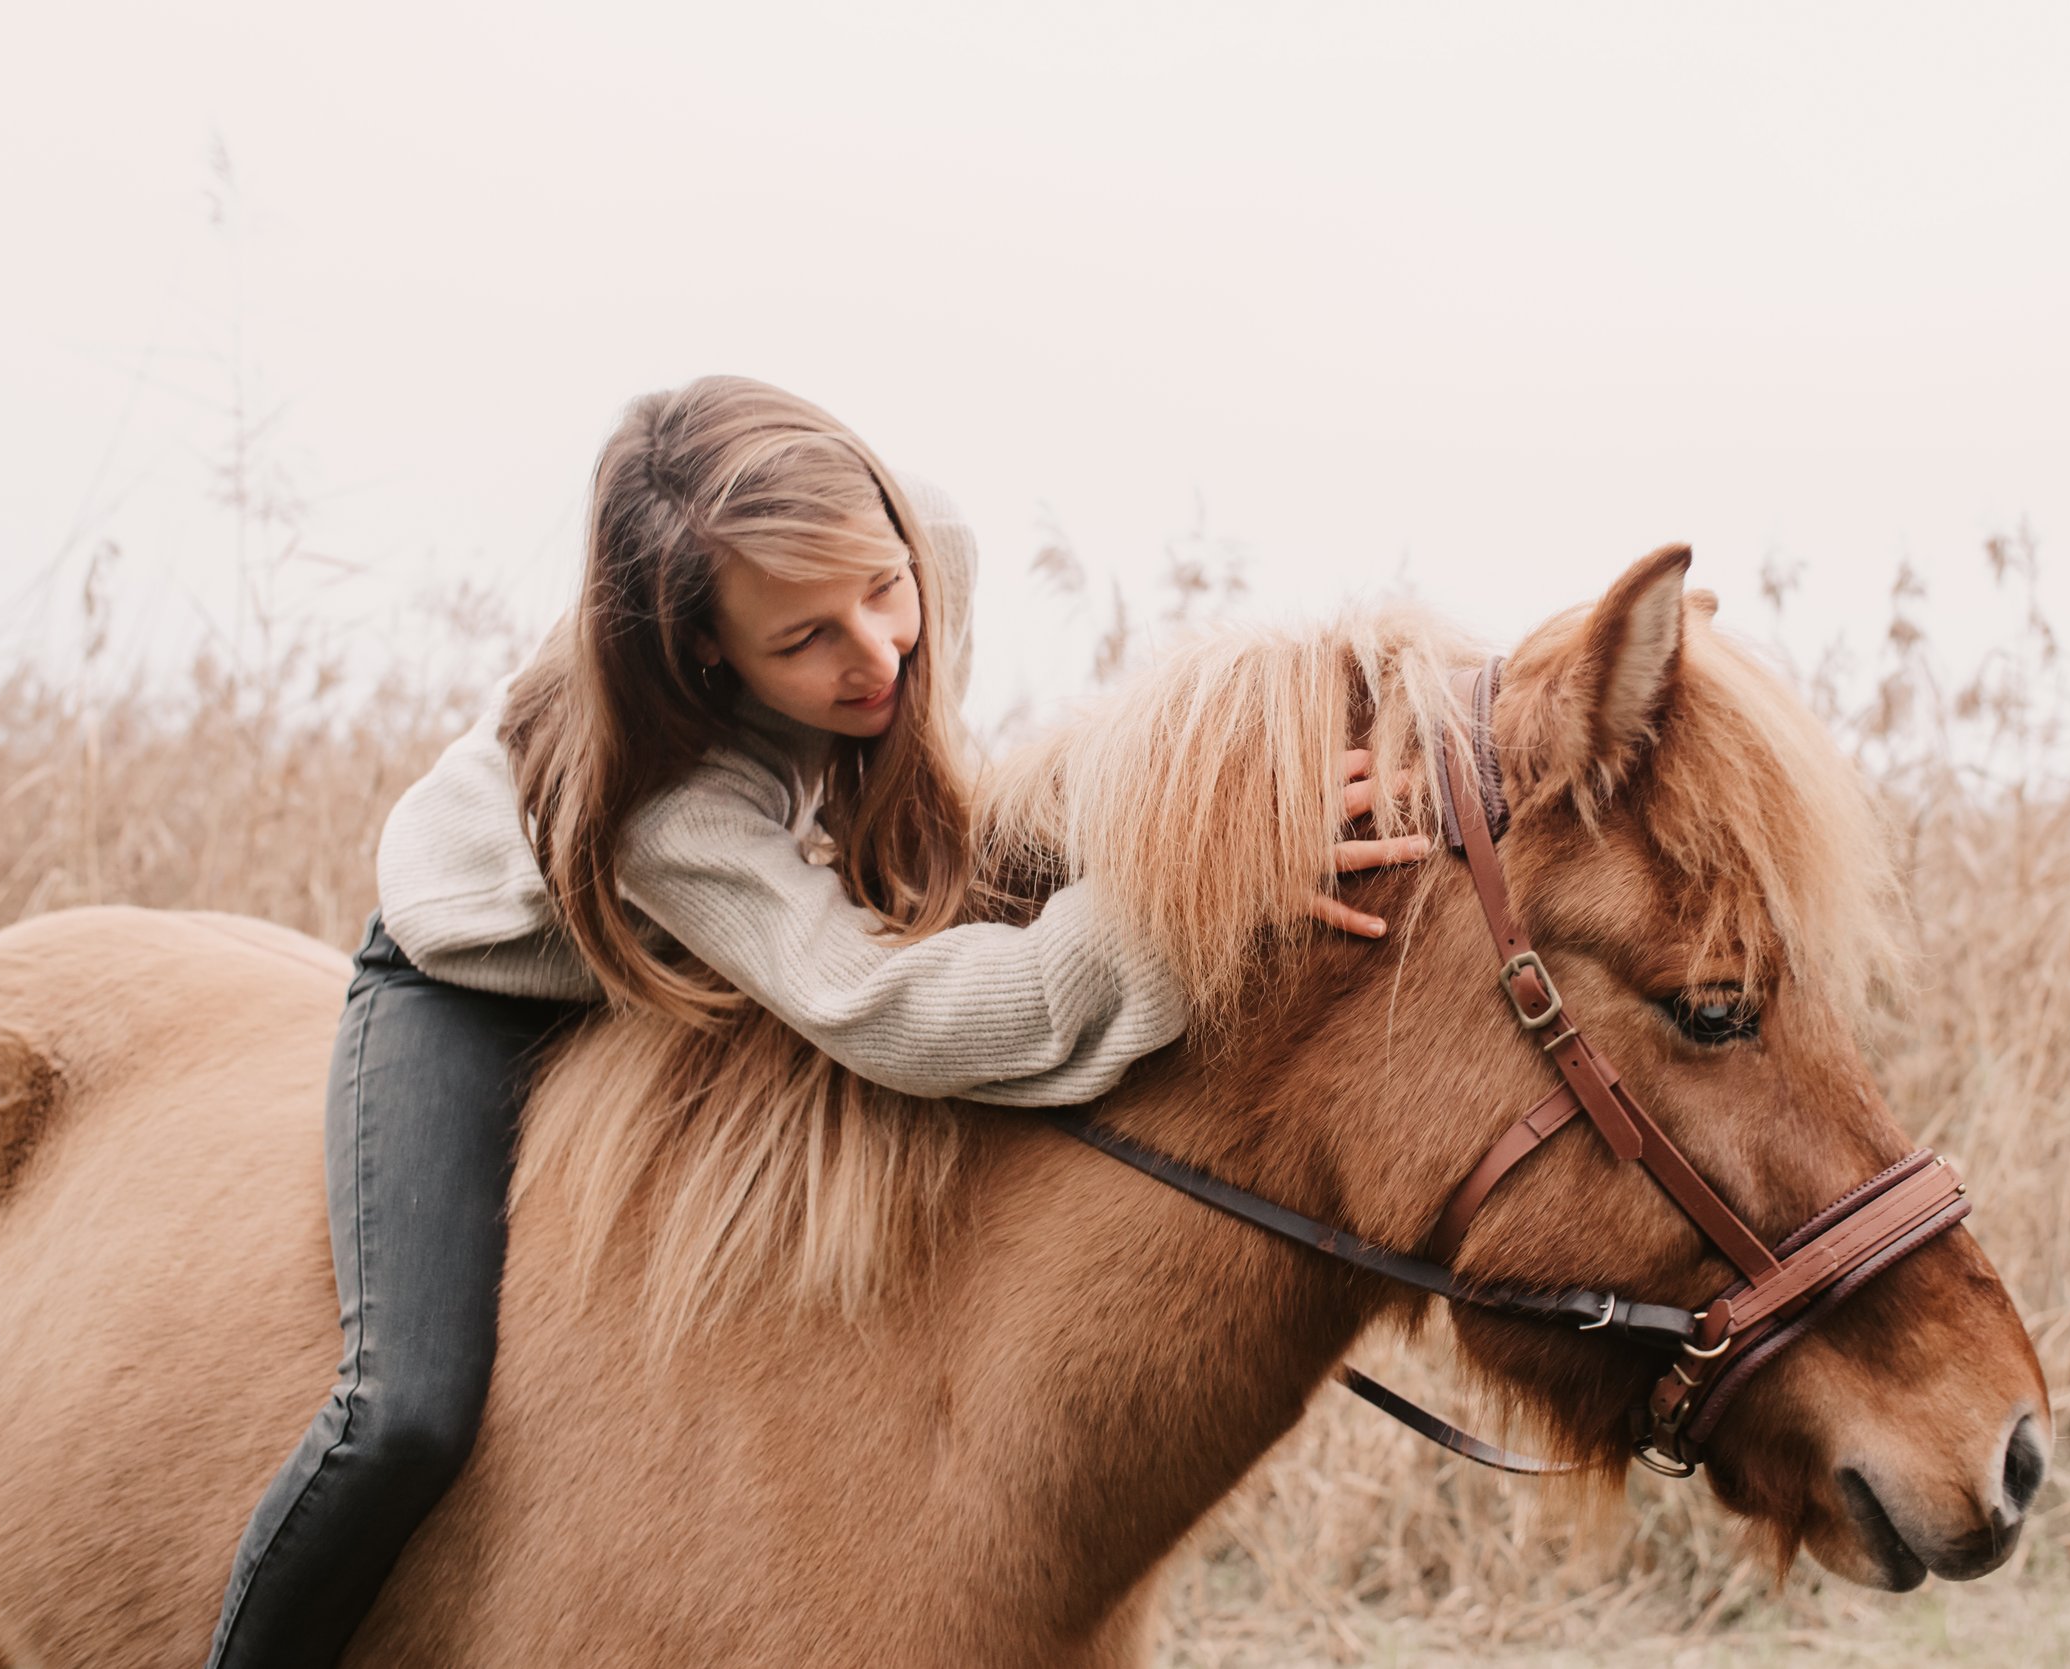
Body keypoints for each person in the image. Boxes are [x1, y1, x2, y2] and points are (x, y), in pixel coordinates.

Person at [202, 374, 1430, 1666]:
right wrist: (1172, 926)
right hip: (478, 988)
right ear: (703, 653)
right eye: (801, 641)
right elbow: (887, 1009)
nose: (876, 652)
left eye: (881, 591)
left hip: (746, 938)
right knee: (403, 1408)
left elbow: (969, 808)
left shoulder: (914, 551)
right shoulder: (670, 811)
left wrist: (1218, 838)